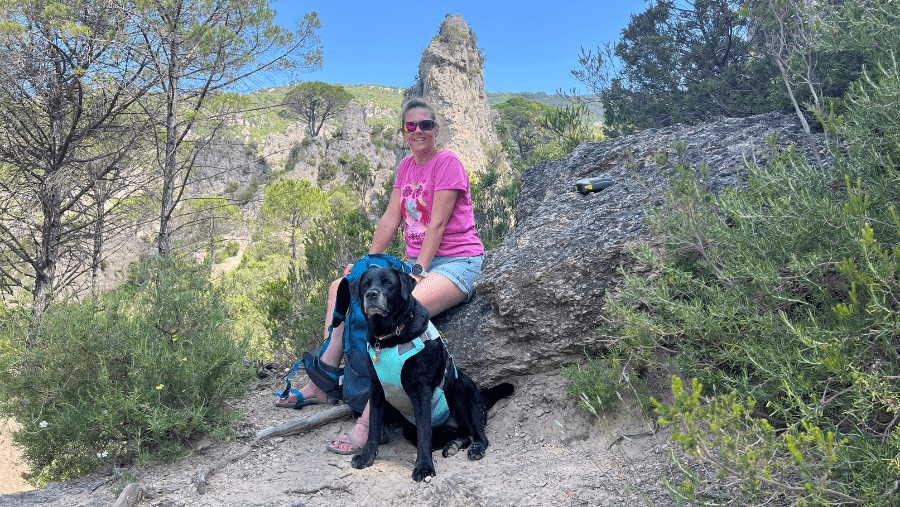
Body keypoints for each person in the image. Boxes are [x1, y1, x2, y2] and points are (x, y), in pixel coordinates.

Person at [277, 98, 485, 454]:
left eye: (426, 125)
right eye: (411, 126)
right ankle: (326, 378)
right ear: (403, 131)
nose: (418, 131)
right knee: (341, 288)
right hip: (416, 258)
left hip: (456, 261)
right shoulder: (405, 167)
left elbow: (436, 223)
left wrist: (417, 271)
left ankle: (367, 423)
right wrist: (368, 262)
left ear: (437, 130)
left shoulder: (446, 162)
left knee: (404, 309)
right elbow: (391, 219)